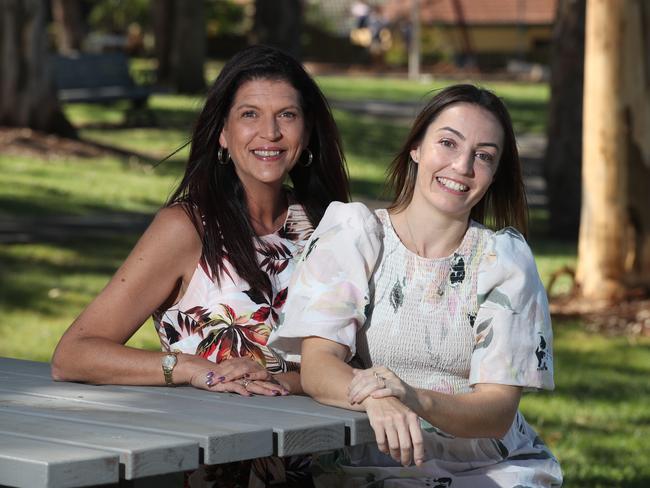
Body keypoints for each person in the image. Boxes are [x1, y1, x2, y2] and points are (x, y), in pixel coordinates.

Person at [51, 45, 350, 487]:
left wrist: (284, 379)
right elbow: (73, 354)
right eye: (250, 114)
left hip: (331, 465)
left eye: (286, 115)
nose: (269, 133)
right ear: (223, 134)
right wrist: (190, 369)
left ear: (306, 132)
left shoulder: (328, 224)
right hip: (225, 468)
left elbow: (354, 360)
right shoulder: (187, 228)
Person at [269, 84, 563, 487]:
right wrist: (377, 396)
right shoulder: (356, 235)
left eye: (483, 156)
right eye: (448, 143)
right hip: (371, 468)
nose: (462, 166)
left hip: (487, 471)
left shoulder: (504, 262)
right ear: (416, 148)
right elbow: (318, 367)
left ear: (494, 174)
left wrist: (412, 397)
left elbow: (497, 413)